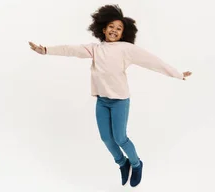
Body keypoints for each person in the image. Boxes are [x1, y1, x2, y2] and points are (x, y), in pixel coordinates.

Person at [28, 4, 192, 187]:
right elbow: (70, 50)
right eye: (111, 27)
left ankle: (136, 164)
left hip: (120, 101)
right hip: (102, 101)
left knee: (120, 138)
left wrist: (177, 74)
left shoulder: (126, 49)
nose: (114, 30)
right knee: (106, 138)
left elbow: (152, 61)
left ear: (123, 33)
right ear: (103, 29)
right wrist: (45, 50)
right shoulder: (95, 49)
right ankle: (123, 163)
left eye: (119, 28)